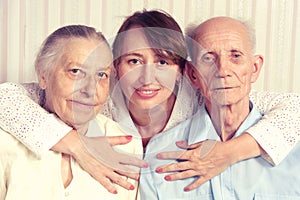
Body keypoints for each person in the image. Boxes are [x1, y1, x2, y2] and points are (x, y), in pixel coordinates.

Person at [0, 9, 300, 195]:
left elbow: (293, 108)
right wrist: (75, 143)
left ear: (184, 71)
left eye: (163, 62)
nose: (147, 78)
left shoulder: (199, 95)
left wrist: (229, 152)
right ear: (116, 67)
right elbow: (6, 98)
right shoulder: (98, 98)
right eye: (133, 60)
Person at [142, 16, 300, 199]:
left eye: (235, 56)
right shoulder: (160, 154)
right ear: (193, 74)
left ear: (254, 68)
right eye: (208, 58)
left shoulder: (293, 146)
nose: (222, 70)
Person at [0, 25, 143, 200]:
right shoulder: (5, 143)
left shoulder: (128, 146)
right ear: (43, 76)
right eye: (75, 71)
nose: (90, 90)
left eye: (101, 75)